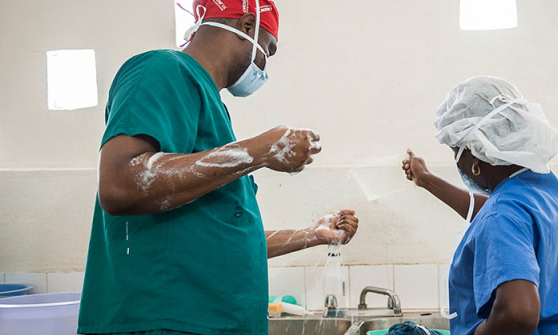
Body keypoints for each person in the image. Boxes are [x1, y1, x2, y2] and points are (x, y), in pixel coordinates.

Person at [77, 1, 359, 334]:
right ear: (247, 26)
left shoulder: (214, 112)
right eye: (267, 50)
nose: (264, 65)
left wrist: (313, 235)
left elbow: (225, 238)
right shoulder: (162, 70)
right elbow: (120, 184)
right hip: (166, 322)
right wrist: (259, 150)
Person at [402, 76, 558, 335]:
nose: (457, 162)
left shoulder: (502, 214)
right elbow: (496, 215)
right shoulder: (542, 187)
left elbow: (519, 314)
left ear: (477, 152)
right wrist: (426, 180)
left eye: (455, 150)